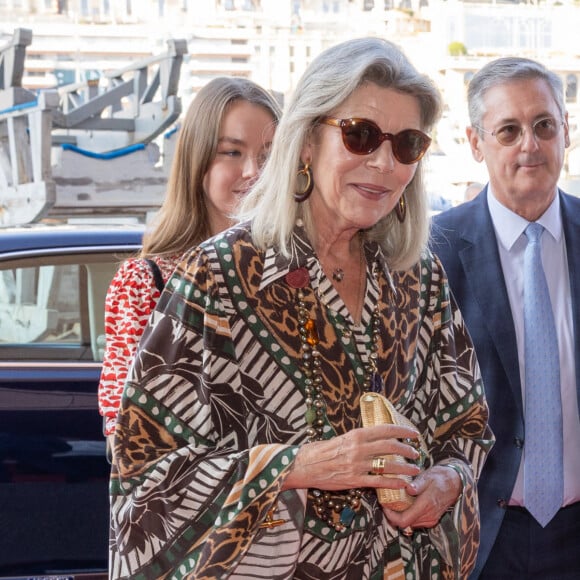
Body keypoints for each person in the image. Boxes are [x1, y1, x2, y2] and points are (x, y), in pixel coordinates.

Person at [109, 37, 493, 580]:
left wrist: (446, 482)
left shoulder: (418, 279)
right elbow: (144, 474)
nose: (384, 162)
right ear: (308, 140)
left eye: (407, 144)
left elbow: (469, 431)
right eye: (361, 136)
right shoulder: (218, 276)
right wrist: (300, 465)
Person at [431, 57, 580, 579]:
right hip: (478, 536)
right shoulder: (434, 252)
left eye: (544, 125)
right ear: (476, 143)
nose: (529, 146)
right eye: (509, 130)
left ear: (567, 130)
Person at [97, 76, 281, 448]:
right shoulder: (145, 281)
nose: (253, 172)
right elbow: (126, 434)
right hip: (198, 502)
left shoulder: (294, 272)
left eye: (268, 155)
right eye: (232, 152)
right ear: (197, 161)